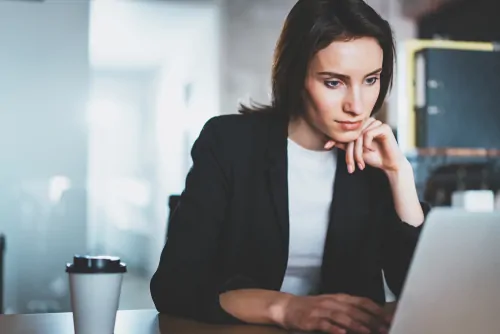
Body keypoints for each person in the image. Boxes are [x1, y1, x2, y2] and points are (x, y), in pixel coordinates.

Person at [150, 0, 429, 333]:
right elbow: (172, 286)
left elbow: (423, 295)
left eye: (371, 80)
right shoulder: (229, 143)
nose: (357, 105)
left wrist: (400, 176)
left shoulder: (378, 153)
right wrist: (286, 308)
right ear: (295, 76)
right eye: (333, 82)